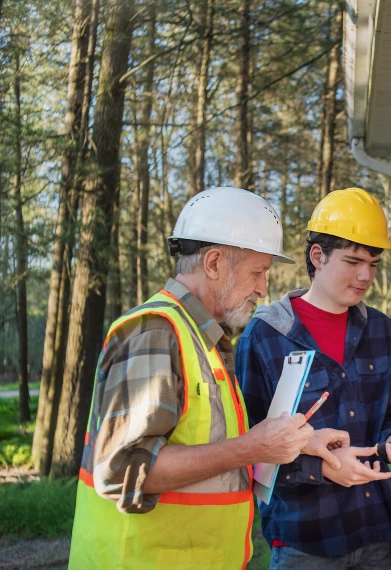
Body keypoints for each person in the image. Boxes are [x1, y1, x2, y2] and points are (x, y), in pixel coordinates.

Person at [69, 187, 349, 569]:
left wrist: (298, 443)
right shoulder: (155, 331)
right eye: (258, 272)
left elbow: (208, 447)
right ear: (214, 263)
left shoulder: (207, 338)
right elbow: (120, 470)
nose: (263, 289)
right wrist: (252, 448)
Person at [236, 187, 391, 570]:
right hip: (306, 541)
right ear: (317, 256)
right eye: (353, 261)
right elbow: (248, 453)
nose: (365, 275)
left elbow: (389, 418)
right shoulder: (264, 336)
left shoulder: (381, 330)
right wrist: (319, 468)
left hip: (379, 531)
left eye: (373, 263)